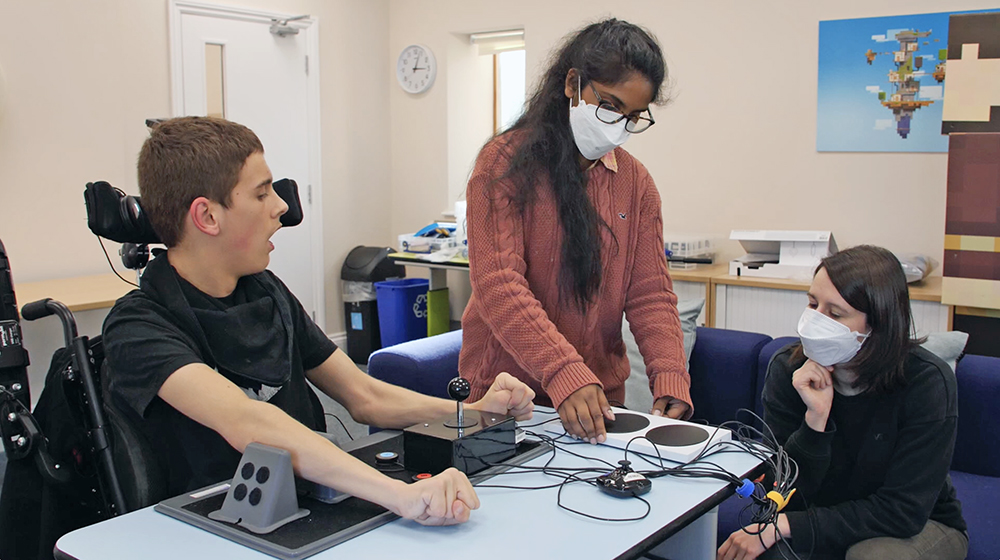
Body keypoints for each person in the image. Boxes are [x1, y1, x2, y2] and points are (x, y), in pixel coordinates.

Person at [102, 116, 536, 526]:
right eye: (260, 194)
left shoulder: (266, 292)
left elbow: (364, 394)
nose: (280, 207)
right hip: (213, 524)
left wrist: (470, 412)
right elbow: (249, 422)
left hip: (301, 506)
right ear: (207, 216)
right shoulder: (139, 326)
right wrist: (397, 494)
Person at [460, 18, 691, 445]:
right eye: (610, 105)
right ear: (572, 83)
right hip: (507, 398)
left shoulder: (635, 183)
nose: (619, 125)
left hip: (598, 406)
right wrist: (563, 369)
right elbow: (498, 284)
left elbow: (650, 293)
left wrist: (670, 374)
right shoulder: (503, 164)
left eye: (634, 116)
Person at [719, 245, 967, 560]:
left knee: (873, 556)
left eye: (835, 314)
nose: (814, 321)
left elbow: (903, 512)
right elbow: (781, 492)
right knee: (766, 553)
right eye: (812, 304)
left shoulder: (927, 381)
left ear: (879, 323)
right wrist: (815, 421)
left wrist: (787, 525)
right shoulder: (788, 369)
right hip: (824, 513)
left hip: (916, 526)